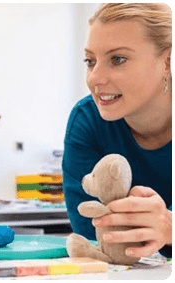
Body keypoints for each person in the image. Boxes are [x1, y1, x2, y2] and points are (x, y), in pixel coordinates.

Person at [63, 3, 172, 259]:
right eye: (90, 61)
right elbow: (92, 231)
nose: (94, 78)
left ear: (167, 62)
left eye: (118, 59)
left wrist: (168, 226)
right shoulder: (86, 120)